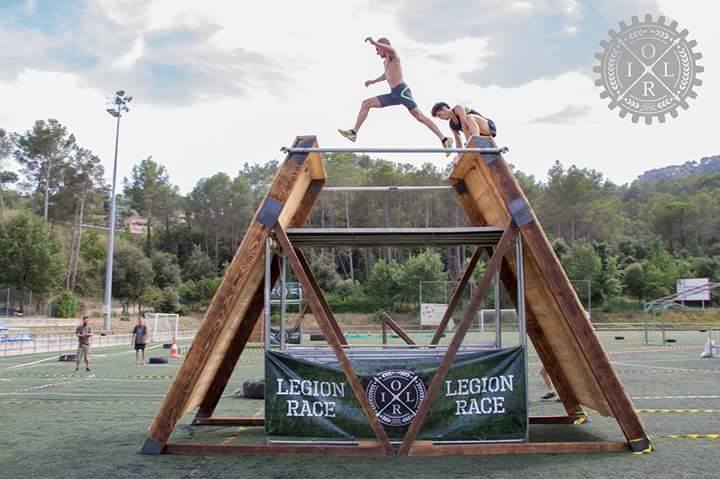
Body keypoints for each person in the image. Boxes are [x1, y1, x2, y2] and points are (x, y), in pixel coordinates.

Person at [338, 37, 453, 155]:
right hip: (393, 94)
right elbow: (386, 75)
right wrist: (373, 81)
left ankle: (444, 139)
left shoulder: (393, 55)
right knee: (366, 103)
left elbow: (389, 49)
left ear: (383, 46)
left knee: (420, 117)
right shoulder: (385, 62)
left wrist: (373, 43)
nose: (377, 53)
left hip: (402, 92)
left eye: (378, 49)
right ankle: (353, 132)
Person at [430, 102, 497, 148]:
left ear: (444, 108)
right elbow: (458, 142)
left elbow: (464, 125)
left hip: (487, 127)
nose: (441, 118)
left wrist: (468, 143)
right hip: (481, 135)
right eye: (439, 117)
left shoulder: (458, 108)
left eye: (440, 115)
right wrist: (459, 156)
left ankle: (475, 140)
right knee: (466, 123)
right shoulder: (452, 125)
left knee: (468, 118)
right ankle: (473, 141)